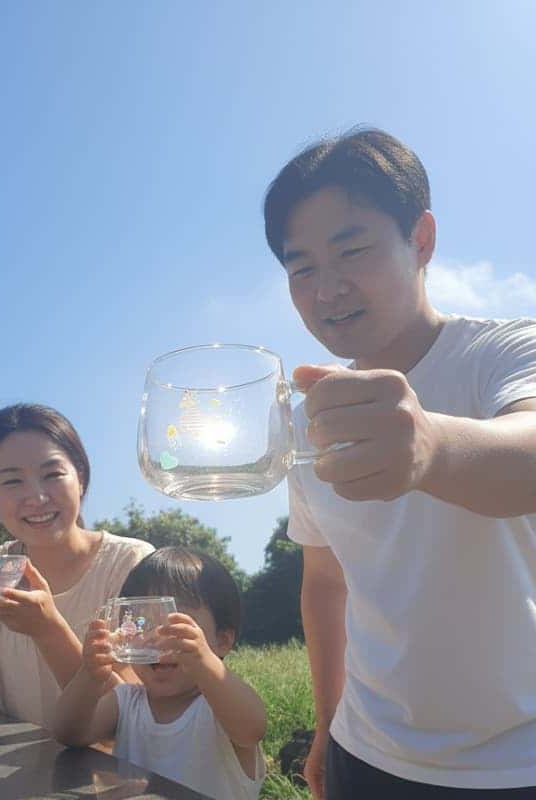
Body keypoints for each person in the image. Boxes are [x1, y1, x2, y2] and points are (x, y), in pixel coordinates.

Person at [262, 127, 536, 798]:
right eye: (302, 269)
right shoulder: (306, 415)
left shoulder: (503, 353)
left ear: (422, 239)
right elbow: (324, 580)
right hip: (367, 753)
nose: (326, 291)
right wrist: (326, 725)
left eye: (351, 249)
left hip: (515, 761)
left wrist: (431, 448)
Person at [0, 403, 154, 728]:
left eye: (52, 475)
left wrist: (48, 629)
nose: (36, 497)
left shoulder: (134, 564)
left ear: (80, 478)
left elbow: (128, 717)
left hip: (105, 776)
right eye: (12, 482)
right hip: (2, 780)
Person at [51, 547, 268, 800]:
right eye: (142, 624)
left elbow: (253, 729)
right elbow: (69, 733)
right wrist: (89, 674)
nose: (157, 637)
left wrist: (204, 661)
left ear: (221, 641)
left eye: (177, 624)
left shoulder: (220, 706)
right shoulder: (126, 702)